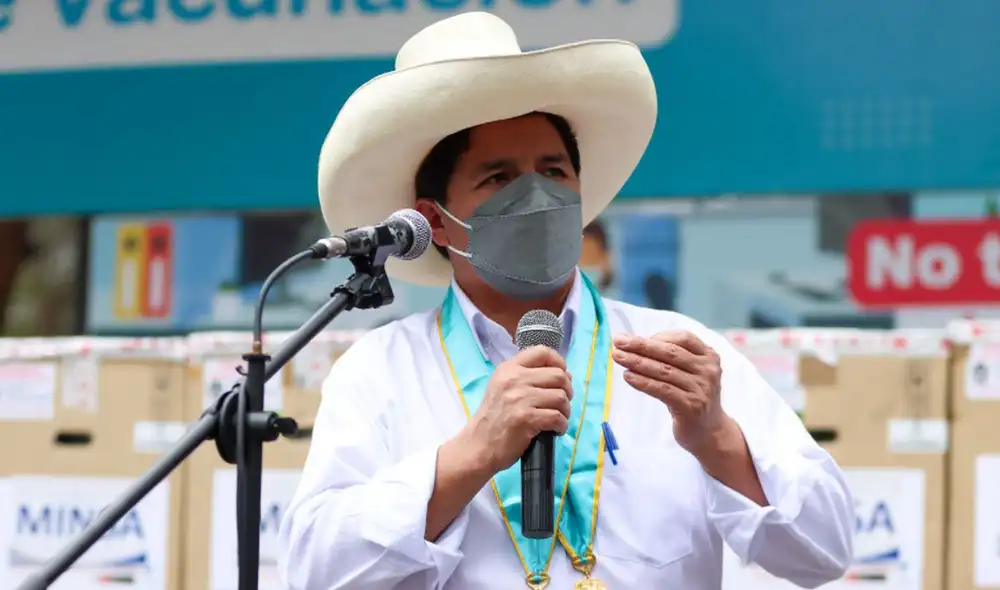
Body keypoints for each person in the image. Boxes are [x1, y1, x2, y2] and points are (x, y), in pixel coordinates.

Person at [278, 12, 854, 590]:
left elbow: (824, 552)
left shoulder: (680, 355)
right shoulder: (382, 371)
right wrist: (471, 455)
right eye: (498, 179)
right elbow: (316, 573)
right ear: (436, 222)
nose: (536, 196)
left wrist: (717, 438)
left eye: (553, 172)